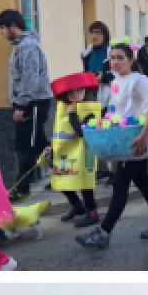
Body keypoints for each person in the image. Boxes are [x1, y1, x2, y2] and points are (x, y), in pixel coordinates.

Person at [75, 42, 148, 249]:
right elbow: (117, 111)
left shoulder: (140, 81)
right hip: (125, 142)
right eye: (113, 58)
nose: (116, 62)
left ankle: (103, 233)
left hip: (136, 143)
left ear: (131, 60)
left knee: (120, 186)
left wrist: (144, 138)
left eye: (121, 57)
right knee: (143, 183)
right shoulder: (117, 81)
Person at [0, 9, 53, 200]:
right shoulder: (21, 46)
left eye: (3, 29)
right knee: (39, 143)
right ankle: (64, 172)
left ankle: (21, 189)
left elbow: (31, 80)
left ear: (13, 26)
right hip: (29, 102)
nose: (2, 33)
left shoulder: (27, 47)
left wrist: (20, 106)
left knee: (25, 145)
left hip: (32, 103)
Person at [46, 72, 103, 227]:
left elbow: (81, 132)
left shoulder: (88, 109)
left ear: (85, 91)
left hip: (85, 152)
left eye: (79, 90)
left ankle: (92, 213)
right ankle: (77, 206)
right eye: (71, 91)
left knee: (85, 184)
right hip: (65, 152)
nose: (75, 94)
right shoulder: (62, 107)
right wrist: (52, 145)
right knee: (61, 180)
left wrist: (72, 114)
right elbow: (59, 129)